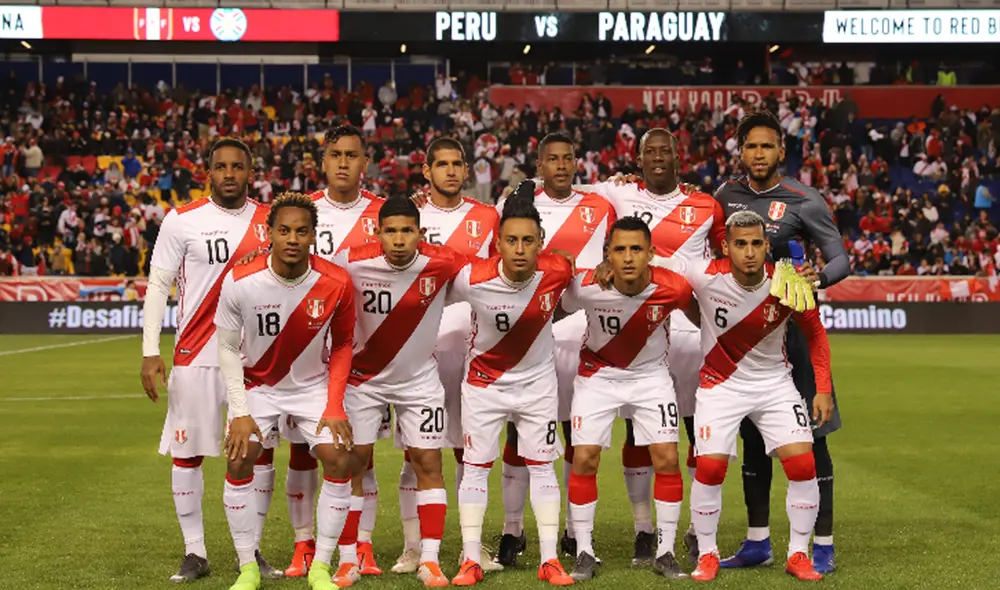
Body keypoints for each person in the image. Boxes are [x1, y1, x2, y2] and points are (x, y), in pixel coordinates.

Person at [573, 128, 726, 564]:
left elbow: (719, 259)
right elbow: (567, 190)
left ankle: (697, 529)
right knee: (635, 436)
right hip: (636, 329)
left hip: (689, 330)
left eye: (666, 152)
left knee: (695, 435)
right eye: (649, 152)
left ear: (680, 157)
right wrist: (517, 189)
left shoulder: (705, 204)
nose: (658, 158)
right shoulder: (618, 194)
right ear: (637, 158)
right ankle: (645, 530)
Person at [713, 110, 849, 573]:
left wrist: (819, 276)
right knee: (754, 441)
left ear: (780, 151)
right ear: (740, 150)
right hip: (746, 344)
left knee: (812, 440)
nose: (757, 154)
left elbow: (840, 259)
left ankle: (823, 544)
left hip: (792, 339)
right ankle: (758, 541)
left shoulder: (803, 199)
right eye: (750, 146)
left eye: (766, 146)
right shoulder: (724, 197)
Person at [139, 138, 274, 582]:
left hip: (252, 356)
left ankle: (250, 552)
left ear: (250, 172)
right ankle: (194, 552)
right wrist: (149, 351)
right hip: (195, 353)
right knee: (188, 454)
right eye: (221, 166)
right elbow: (158, 286)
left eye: (238, 166)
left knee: (252, 455)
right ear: (208, 172)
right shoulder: (182, 220)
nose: (230, 174)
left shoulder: (268, 220)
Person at [673, 210, 832, 582]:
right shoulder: (704, 274)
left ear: (767, 247)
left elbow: (816, 334)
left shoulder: (789, 280)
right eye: (740, 244)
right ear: (725, 246)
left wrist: (822, 388)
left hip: (775, 384)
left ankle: (797, 554)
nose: (748, 252)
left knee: (804, 466)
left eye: (756, 244)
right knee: (710, 467)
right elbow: (658, 272)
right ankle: (707, 554)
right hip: (719, 385)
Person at [214, 193, 356, 590]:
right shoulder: (240, 280)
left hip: (312, 388)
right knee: (240, 459)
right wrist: (240, 412)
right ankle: (248, 567)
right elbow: (226, 347)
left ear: (314, 235)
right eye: (284, 230)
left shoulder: (336, 281)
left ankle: (321, 566)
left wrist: (334, 406)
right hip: (259, 386)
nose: (292, 238)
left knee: (340, 458)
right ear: (268, 233)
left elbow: (343, 344)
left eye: (301, 231)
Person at [333, 197, 467, 588]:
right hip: (363, 381)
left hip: (419, 381)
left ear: (420, 234)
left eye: (407, 231)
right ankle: (348, 559)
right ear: (378, 234)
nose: (398, 239)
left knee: (429, 464)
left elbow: (490, 274)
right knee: (351, 465)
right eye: (390, 231)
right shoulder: (351, 261)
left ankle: (430, 559)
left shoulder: (443, 262)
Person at [494, 134, 615, 566]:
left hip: (586, 333)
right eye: (552, 160)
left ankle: (570, 531)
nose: (561, 166)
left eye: (567, 159)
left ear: (576, 163)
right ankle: (512, 530)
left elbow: (615, 252)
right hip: (531, 331)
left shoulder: (601, 205)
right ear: (540, 165)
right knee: (519, 433)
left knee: (571, 434)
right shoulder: (516, 206)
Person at [279, 125, 388, 579]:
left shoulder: (386, 215)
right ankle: (304, 545)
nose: (343, 162)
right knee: (303, 453)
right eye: (335, 155)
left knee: (359, 455)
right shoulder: (302, 212)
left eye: (352, 155)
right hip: (304, 356)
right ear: (322, 163)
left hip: (362, 357)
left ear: (366, 163)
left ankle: (361, 547)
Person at [449, 195, 575, 587]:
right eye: (511, 241)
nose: (519, 250)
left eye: (528, 241)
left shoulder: (558, 271)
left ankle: (550, 560)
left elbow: (586, 279)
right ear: (498, 244)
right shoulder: (471, 277)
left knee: (542, 467)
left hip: (538, 385)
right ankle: (471, 559)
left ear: (541, 242)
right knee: (475, 468)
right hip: (484, 386)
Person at [561, 217, 695, 581]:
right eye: (619, 249)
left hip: (652, 378)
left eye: (637, 249)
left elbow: (704, 317)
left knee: (667, 457)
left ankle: (665, 552)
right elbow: (552, 308)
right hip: (597, 378)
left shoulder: (674, 288)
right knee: (584, 457)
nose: (628, 257)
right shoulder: (587, 286)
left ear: (651, 253)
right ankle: (585, 551)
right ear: (608, 255)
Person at [393, 137, 502, 575]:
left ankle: (472, 548)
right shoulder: (409, 218)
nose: (452, 171)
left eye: (459, 163)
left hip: (474, 348)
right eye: (442, 164)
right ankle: (412, 546)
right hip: (418, 347)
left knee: (468, 452)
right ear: (426, 170)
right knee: (416, 452)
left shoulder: (487, 217)